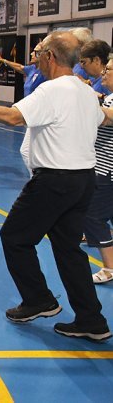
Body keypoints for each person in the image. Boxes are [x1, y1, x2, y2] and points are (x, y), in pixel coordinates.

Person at [0, 31, 111, 342]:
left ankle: (39, 300)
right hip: (83, 180)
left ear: (50, 57)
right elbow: (101, 120)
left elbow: (13, 117)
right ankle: (92, 319)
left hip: (54, 181)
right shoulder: (86, 92)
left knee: (15, 237)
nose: (36, 60)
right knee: (68, 249)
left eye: (39, 54)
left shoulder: (52, 91)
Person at [0, 44, 47, 173]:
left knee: (27, 150)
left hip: (39, 116)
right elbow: (20, 67)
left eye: (36, 52)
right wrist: (3, 60)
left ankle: (38, 178)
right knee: (29, 151)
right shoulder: (32, 68)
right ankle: (36, 178)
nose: (32, 54)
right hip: (31, 116)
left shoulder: (45, 72)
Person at [85, 57, 113, 285]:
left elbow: (106, 118)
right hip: (103, 168)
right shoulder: (109, 98)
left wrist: (86, 101)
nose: (104, 74)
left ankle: (110, 268)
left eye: (109, 70)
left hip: (107, 171)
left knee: (93, 216)